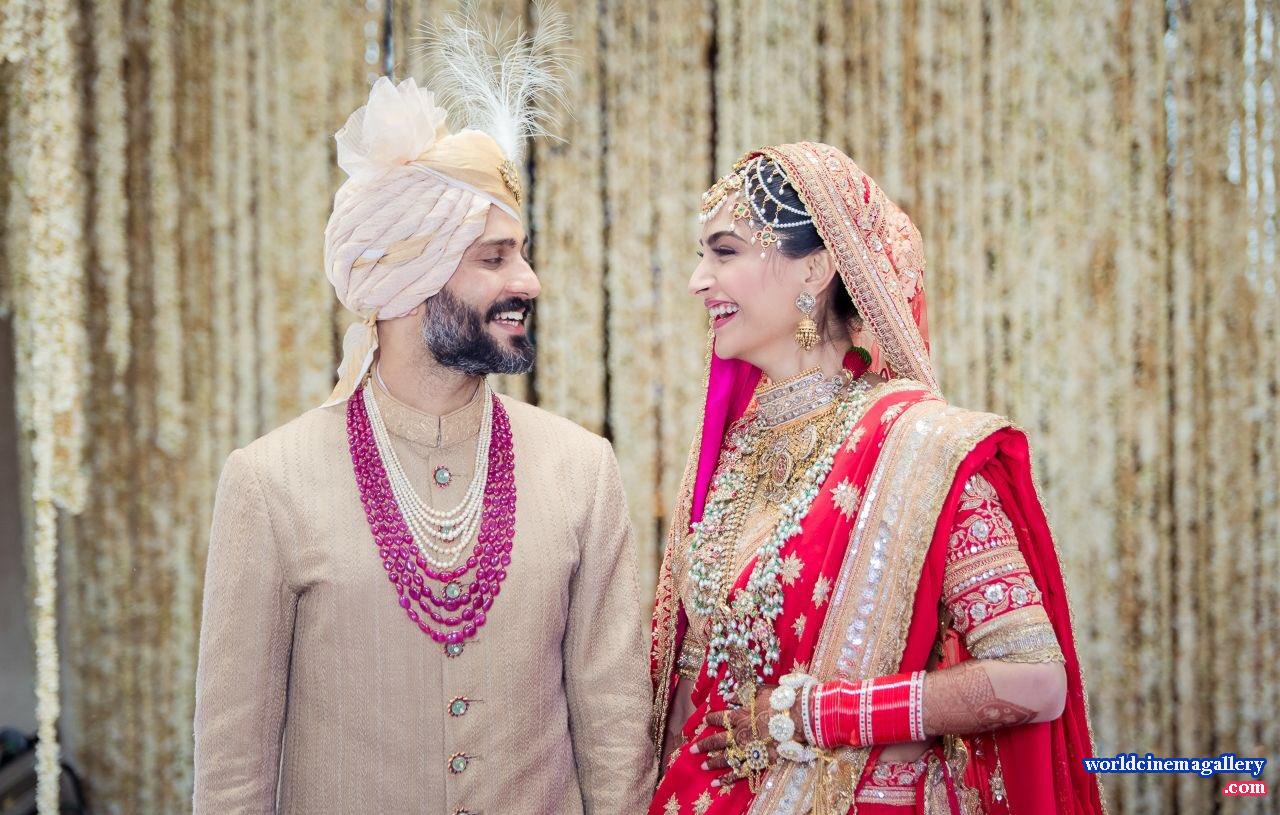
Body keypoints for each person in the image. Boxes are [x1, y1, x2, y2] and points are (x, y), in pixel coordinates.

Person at [192, 12, 655, 813]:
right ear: (408, 281)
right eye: (494, 257)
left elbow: (617, 745)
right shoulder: (269, 484)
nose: (529, 281)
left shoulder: (582, 470)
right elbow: (232, 777)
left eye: (521, 252)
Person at [649, 143, 1104, 814]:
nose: (698, 281)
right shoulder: (737, 450)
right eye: (701, 255)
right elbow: (696, 680)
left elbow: (1035, 681)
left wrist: (813, 713)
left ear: (814, 268)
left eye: (725, 252)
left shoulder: (918, 448)